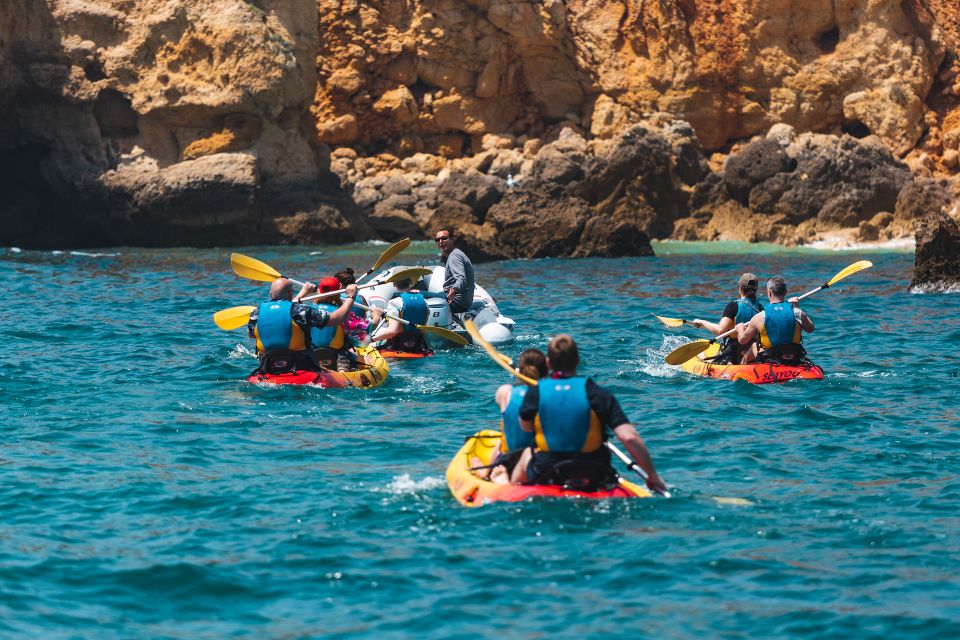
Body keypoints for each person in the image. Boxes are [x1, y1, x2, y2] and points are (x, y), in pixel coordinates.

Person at [513, 335, 666, 493]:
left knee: (526, 454)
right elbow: (629, 437)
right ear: (577, 361)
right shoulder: (597, 393)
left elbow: (526, 427)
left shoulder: (536, 392)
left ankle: (510, 490)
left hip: (548, 471)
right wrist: (652, 475)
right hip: (594, 473)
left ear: (548, 362)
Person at [247, 278, 358, 374]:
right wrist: (350, 297)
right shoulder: (300, 310)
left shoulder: (257, 312)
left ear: (271, 293)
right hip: (300, 365)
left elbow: (251, 334)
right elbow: (334, 320)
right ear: (291, 293)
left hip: (267, 365)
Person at [482, 349, 549, 484]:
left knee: (502, 439)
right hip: (536, 463)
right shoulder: (548, 395)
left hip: (507, 461)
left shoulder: (504, 392)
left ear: (519, 371)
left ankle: (486, 473)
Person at [736, 275, 815, 364]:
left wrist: (740, 328)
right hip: (794, 356)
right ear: (785, 292)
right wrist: (796, 307)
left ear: (769, 292)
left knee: (754, 346)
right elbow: (810, 329)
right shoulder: (797, 312)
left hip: (771, 358)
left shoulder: (759, 317)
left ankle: (742, 369)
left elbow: (743, 340)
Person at [691, 272, 763, 364]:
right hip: (752, 352)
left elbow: (720, 330)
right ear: (756, 290)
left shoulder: (734, 305)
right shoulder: (761, 309)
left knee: (699, 354)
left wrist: (702, 322)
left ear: (740, 288)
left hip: (733, 352)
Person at [307, 276, 362, 371]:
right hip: (339, 358)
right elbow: (365, 332)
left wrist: (304, 292)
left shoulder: (305, 311)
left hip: (311, 356)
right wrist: (377, 316)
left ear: (319, 291)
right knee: (356, 353)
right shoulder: (344, 314)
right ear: (339, 290)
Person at [368, 278, 433, 355]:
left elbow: (393, 331)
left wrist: (370, 339)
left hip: (398, 347)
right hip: (418, 346)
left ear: (394, 284)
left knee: (371, 343)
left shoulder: (394, 302)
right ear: (411, 283)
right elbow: (423, 328)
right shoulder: (424, 301)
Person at [435, 229, 475, 315]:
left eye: (444, 238)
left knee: (417, 293)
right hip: (463, 302)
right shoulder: (457, 253)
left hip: (456, 302)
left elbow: (461, 277)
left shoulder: (454, 256)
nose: (440, 242)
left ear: (452, 239)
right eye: (437, 240)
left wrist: (454, 290)